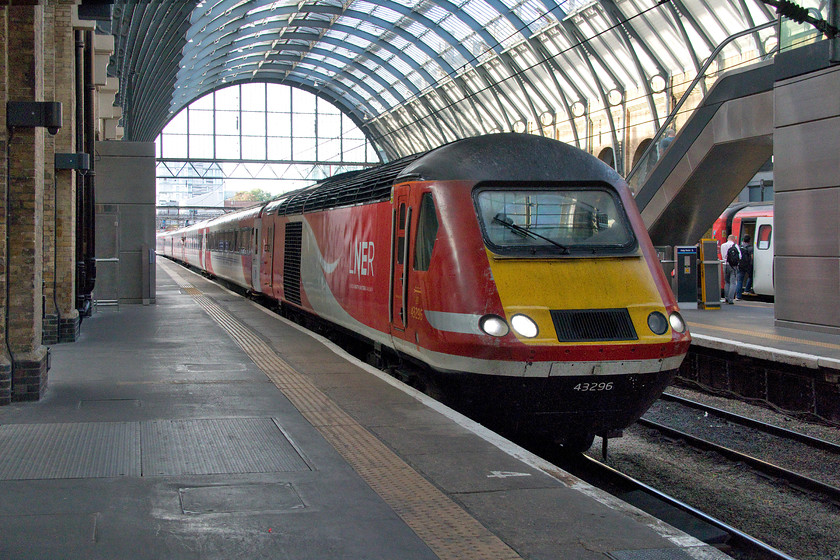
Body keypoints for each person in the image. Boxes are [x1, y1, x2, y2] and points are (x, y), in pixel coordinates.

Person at [720, 234, 740, 304]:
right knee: (733, 283)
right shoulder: (735, 246)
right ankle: (731, 299)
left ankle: (726, 298)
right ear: (733, 239)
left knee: (727, 282)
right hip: (733, 266)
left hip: (725, 265)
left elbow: (722, 255)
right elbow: (740, 256)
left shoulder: (722, 245)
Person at [735, 234, 753, 299]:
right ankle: (747, 290)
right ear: (749, 241)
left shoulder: (739, 247)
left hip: (740, 265)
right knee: (751, 277)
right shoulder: (750, 248)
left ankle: (738, 296)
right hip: (748, 266)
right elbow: (752, 257)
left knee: (739, 281)